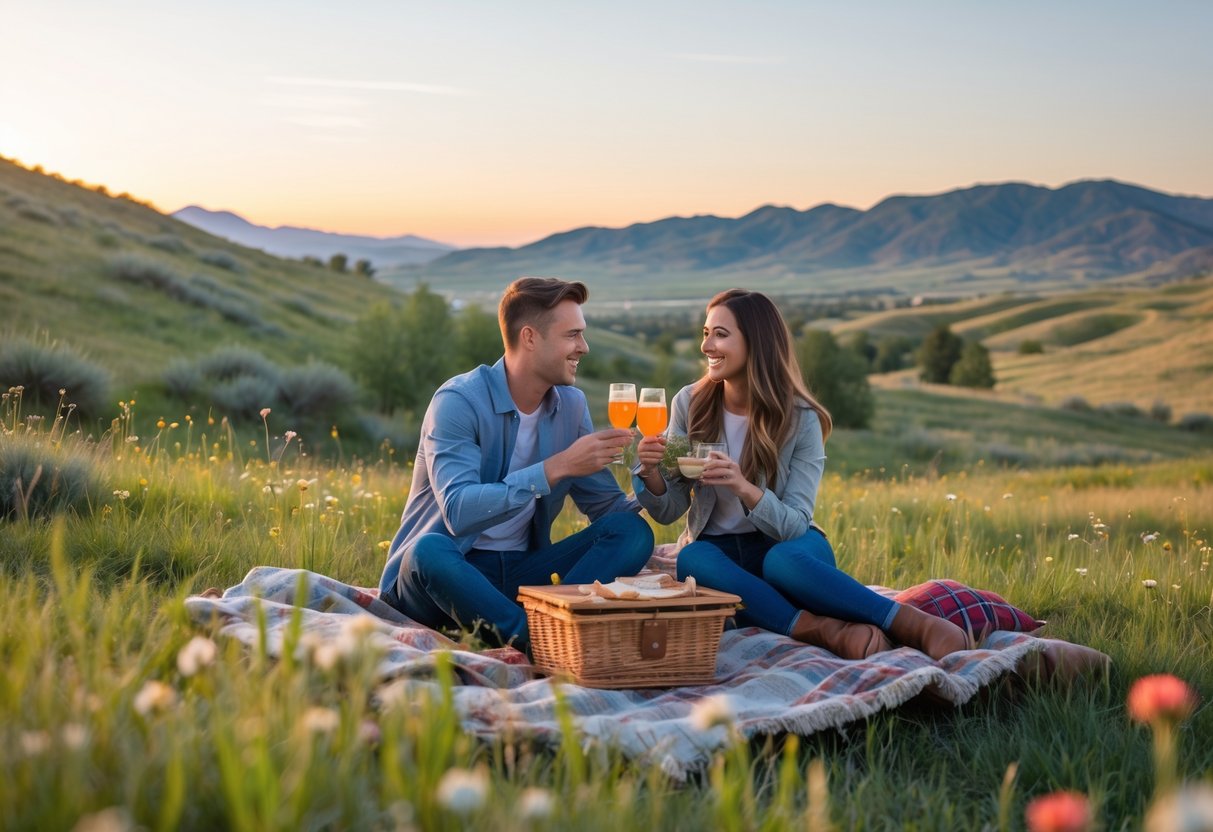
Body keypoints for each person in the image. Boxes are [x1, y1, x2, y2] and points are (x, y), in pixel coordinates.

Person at [634, 288, 971, 661]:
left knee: (781, 562)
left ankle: (914, 624)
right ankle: (821, 629)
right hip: (720, 553)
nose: (706, 346)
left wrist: (746, 489)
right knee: (692, 559)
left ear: (756, 343)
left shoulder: (801, 419)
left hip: (786, 547)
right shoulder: (689, 404)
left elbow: (795, 525)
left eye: (720, 334)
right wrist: (650, 473)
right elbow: (670, 508)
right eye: (705, 332)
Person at [379, 277, 654, 653]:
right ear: (529, 338)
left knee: (630, 532)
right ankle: (543, 639)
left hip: (522, 574)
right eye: (572, 335)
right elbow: (459, 511)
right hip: (449, 576)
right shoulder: (459, 401)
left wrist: (654, 476)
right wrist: (554, 468)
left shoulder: (570, 406)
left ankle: (537, 626)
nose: (583, 347)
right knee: (428, 549)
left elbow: (607, 508)